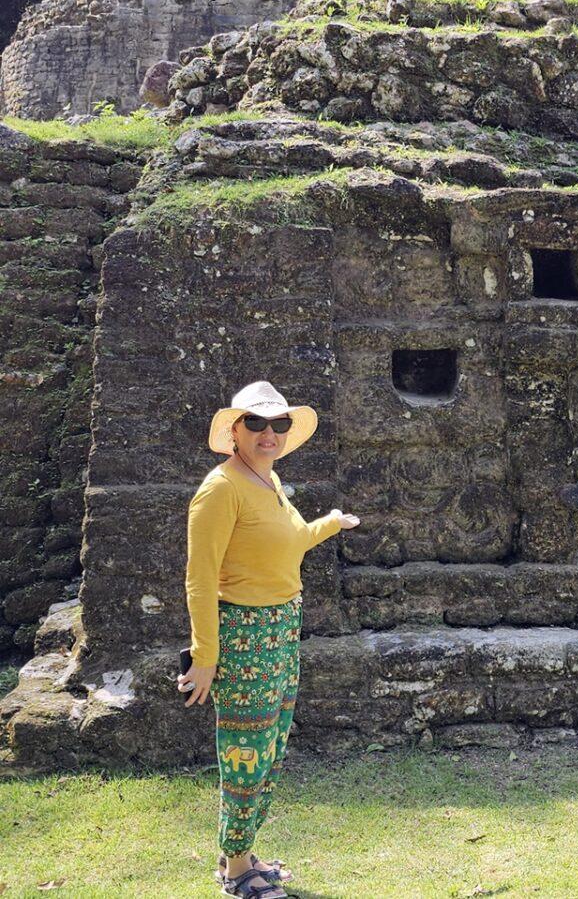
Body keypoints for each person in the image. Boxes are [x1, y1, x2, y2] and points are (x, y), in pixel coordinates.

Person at [177, 380, 360, 899]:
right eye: (255, 423)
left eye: (278, 424)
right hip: (244, 637)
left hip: (280, 630)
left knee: (271, 747)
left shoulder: (268, 480)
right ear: (234, 430)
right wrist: (205, 656)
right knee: (247, 751)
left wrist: (331, 523)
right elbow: (200, 578)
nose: (268, 433)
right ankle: (237, 870)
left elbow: (291, 541)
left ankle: (241, 852)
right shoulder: (221, 489)